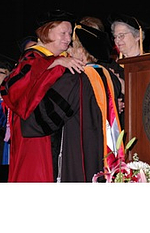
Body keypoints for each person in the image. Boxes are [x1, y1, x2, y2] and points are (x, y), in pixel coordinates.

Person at [19, 23, 123, 182]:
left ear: (81, 52)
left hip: (79, 154)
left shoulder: (76, 80)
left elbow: (43, 119)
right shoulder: (109, 77)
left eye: (73, 46)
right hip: (104, 154)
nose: (68, 49)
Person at [0, 9, 85, 182]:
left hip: (58, 129)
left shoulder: (65, 57)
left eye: (69, 33)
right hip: (33, 131)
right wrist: (56, 63)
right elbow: (13, 89)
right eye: (63, 33)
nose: (68, 38)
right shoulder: (33, 56)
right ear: (47, 32)